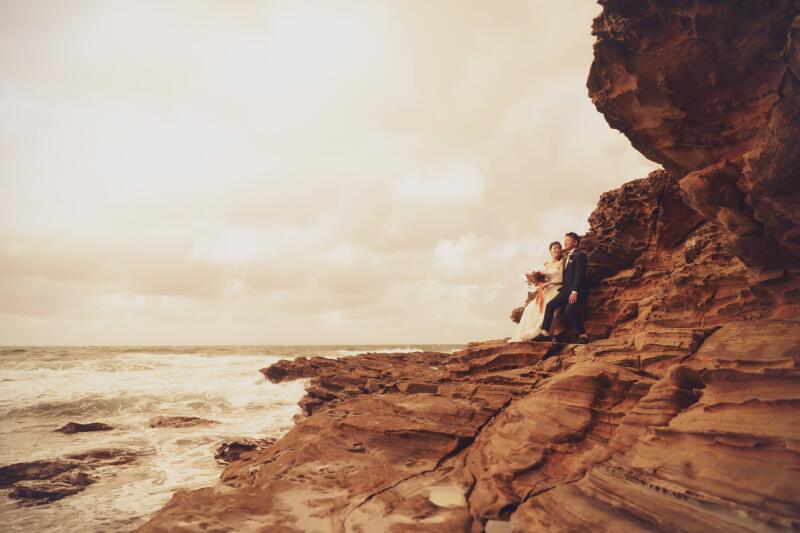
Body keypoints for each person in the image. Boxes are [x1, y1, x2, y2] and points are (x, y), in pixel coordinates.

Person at [533, 232, 590, 344]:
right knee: (550, 306)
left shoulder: (580, 255)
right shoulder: (567, 257)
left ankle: (583, 335)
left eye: (568, 240)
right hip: (565, 290)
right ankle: (544, 333)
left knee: (569, 310)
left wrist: (575, 291)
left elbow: (579, 275)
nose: (565, 242)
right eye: (565, 240)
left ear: (575, 242)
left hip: (576, 290)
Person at [509, 241, 564, 342]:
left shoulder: (561, 262)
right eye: (554, 248)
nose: (557, 250)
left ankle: (543, 333)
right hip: (546, 290)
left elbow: (562, 280)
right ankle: (529, 331)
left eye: (559, 248)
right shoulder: (546, 264)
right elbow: (546, 279)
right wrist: (537, 281)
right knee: (530, 309)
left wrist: (549, 284)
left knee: (547, 309)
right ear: (550, 250)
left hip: (556, 289)